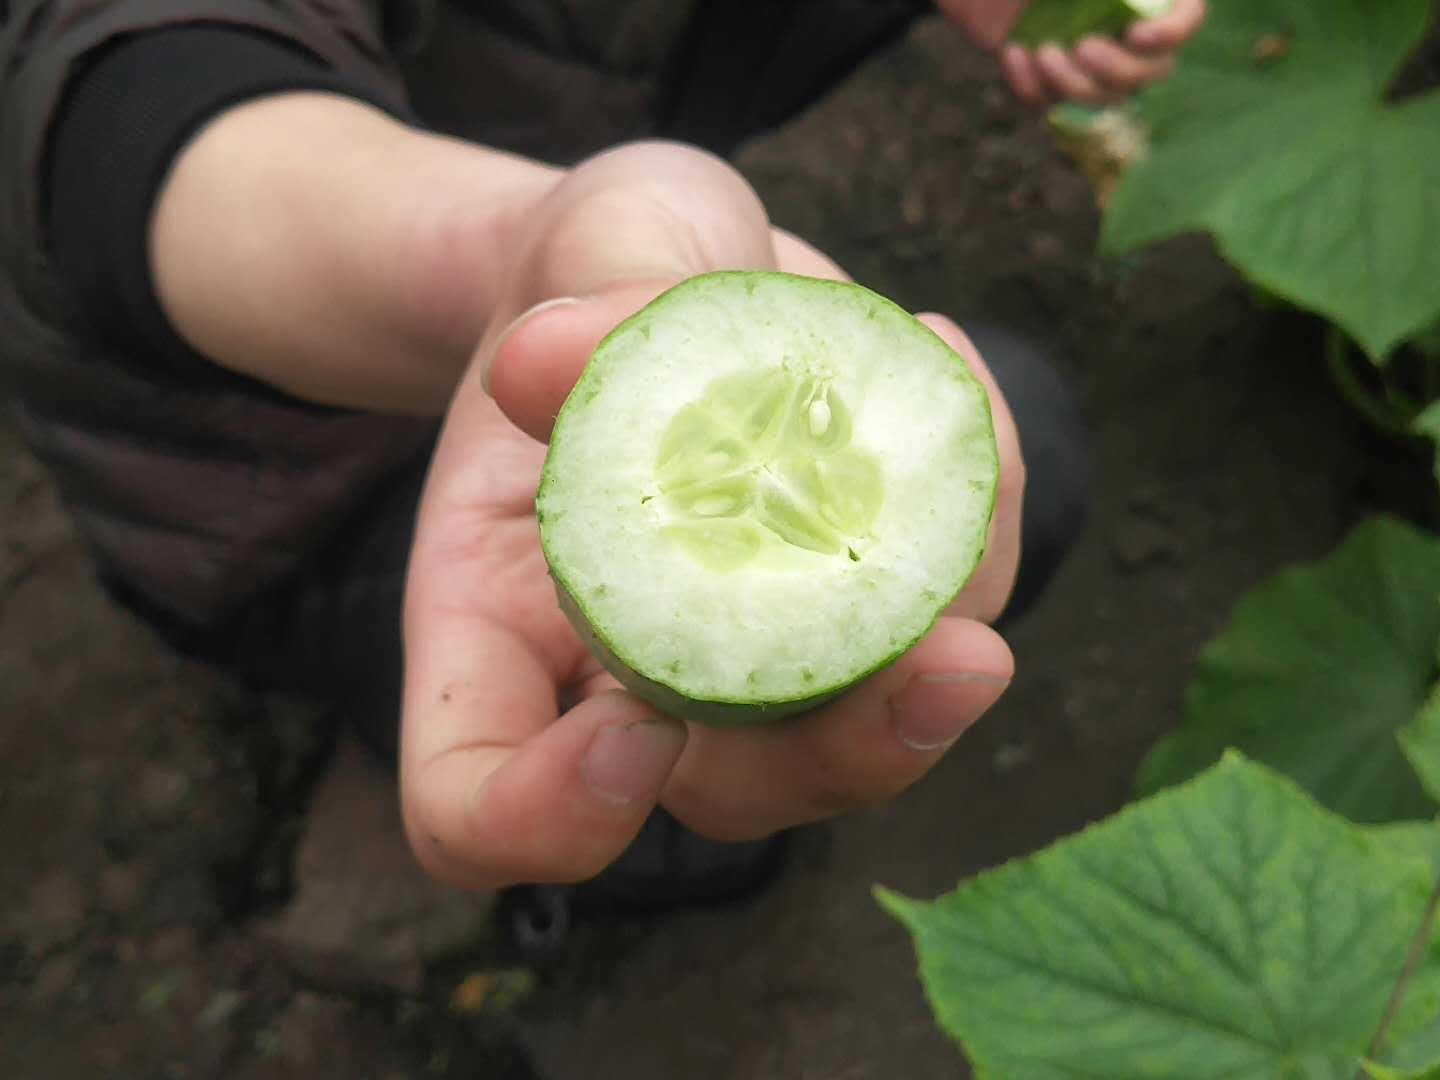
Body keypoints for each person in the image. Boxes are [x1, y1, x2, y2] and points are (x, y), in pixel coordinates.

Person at [0, 0, 1205, 916]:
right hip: (280, 493)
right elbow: (145, 116)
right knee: (1018, 446)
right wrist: (518, 249)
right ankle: (614, 850)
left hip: (564, 137)